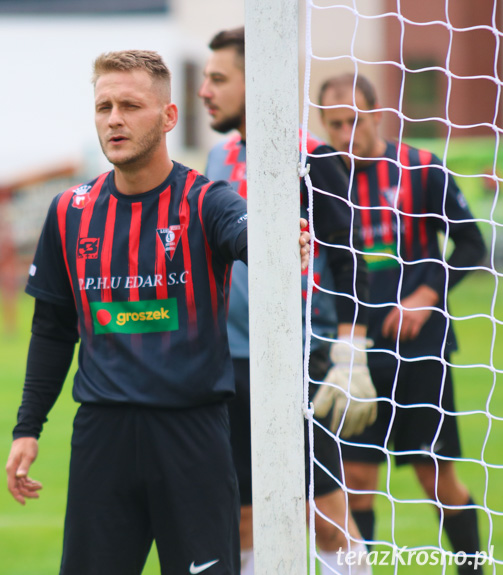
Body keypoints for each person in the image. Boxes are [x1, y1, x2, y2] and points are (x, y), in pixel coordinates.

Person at [5, 49, 312, 575]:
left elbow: (247, 235)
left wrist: (281, 244)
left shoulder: (206, 201)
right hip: (103, 437)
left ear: (168, 117)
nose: (115, 119)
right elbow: (53, 330)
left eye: (130, 105)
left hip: (192, 438)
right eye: (104, 107)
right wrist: (27, 427)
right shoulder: (69, 211)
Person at [199, 27, 376, 575]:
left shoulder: (313, 160)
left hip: (301, 360)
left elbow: (351, 264)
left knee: (323, 512)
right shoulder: (216, 158)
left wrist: (350, 355)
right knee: (243, 516)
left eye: (218, 79)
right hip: (229, 366)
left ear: (260, 83)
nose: (205, 90)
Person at [319, 73, 487, 574]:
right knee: (356, 481)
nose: (347, 133)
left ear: (378, 115)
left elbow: (473, 246)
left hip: (420, 351)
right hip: (354, 352)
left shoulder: (422, 169)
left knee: (436, 478)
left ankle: (473, 569)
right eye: (335, 125)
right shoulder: (324, 180)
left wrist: (425, 295)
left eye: (356, 120)